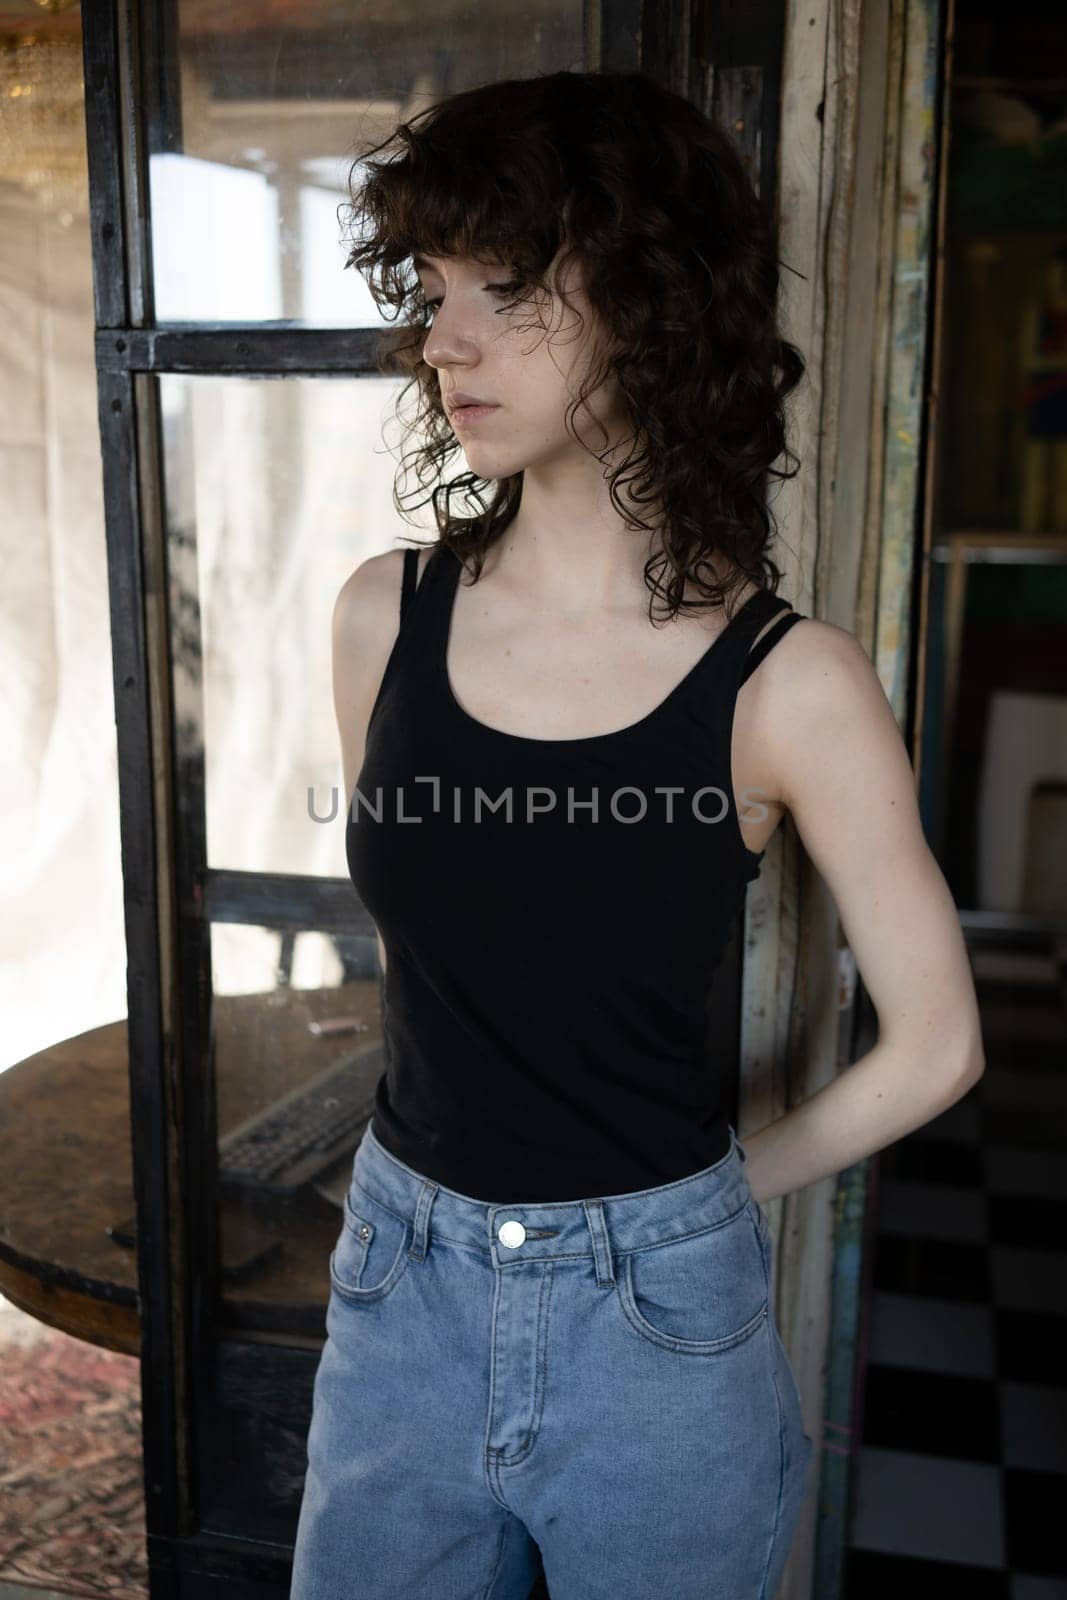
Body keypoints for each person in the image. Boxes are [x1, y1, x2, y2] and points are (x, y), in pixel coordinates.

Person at [290, 70, 985, 1600]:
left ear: (651, 302)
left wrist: (708, 1199)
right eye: (431, 289)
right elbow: (439, 934)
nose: (445, 339)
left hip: (658, 1335)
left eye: (510, 287)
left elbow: (938, 1044)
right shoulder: (379, 616)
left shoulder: (788, 683)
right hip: (402, 1288)